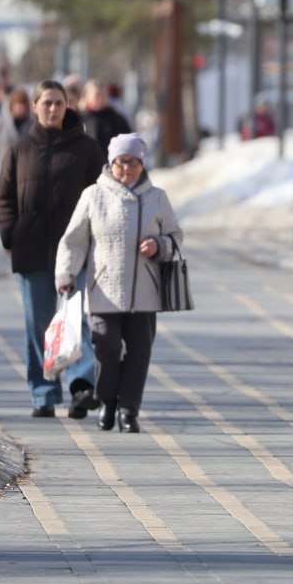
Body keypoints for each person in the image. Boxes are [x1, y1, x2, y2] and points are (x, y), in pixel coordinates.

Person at [55, 133, 182, 434]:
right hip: (104, 292)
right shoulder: (93, 196)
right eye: (121, 162)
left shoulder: (157, 197)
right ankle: (108, 400)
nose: (127, 169)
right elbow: (74, 241)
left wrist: (159, 245)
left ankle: (128, 410)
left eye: (134, 162)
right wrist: (66, 274)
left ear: (143, 164)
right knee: (106, 348)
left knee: (140, 352)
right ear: (110, 164)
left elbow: (176, 237)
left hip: (145, 292)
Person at [0, 80, 105, 418]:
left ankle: (80, 386)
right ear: (35, 106)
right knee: (39, 324)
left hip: (74, 251)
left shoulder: (85, 148)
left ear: (67, 106)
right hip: (31, 252)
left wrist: (94, 239)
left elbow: (100, 197)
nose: (53, 109)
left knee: (74, 319)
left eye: (59, 103)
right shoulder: (19, 150)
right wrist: (11, 234)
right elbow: (4, 198)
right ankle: (44, 392)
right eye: (47, 103)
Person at [0, 87, 32, 189]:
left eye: (23, 104)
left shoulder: (33, 125)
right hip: (3, 174)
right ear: (11, 106)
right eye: (18, 104)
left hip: (27, 176)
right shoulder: (1, 124)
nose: (21, 108)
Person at [81, 78, 132, 154]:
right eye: (97, 95)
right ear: (87, 96)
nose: (100, 98)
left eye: (104, 95)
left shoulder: (116, 119)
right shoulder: (81, 119)